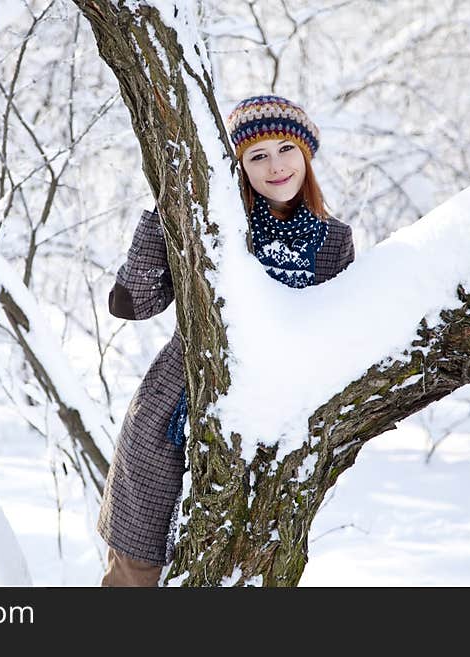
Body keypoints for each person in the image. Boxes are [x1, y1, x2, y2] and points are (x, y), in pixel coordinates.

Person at [97, 95, 355, 586]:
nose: (276, 166)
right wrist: (167, 212)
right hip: (169, 411)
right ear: (239, 167)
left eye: (286, 149)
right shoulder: (213, 223)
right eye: (258, 155)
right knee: (135, 574)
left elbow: (334, 342)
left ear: (306, 155)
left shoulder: (333, 240)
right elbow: (132, 303)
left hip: (262, 430)